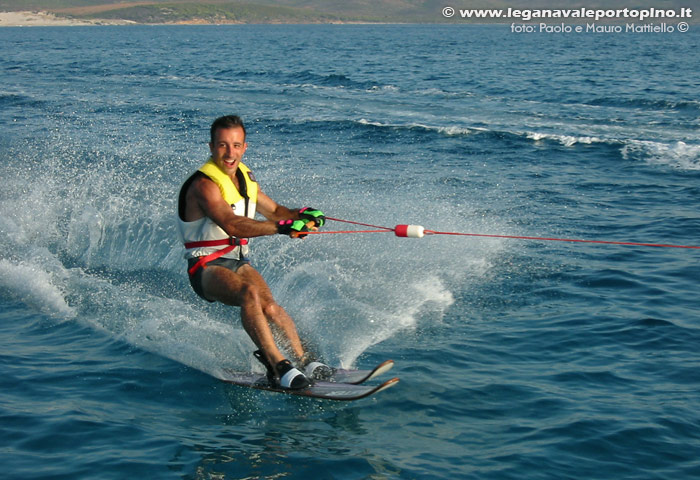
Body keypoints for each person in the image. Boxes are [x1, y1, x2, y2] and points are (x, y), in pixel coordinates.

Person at [177, 115, 329, 390]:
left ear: (244, 147)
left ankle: (305, 360)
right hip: (205, 267)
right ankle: (276, 365)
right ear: (211, 147)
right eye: (222, 145)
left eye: (236, 145)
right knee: (249, 294)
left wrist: (303, 215)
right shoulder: (204, 185)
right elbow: (233, 223)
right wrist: (283, 228)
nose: (230, 152)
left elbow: (275, 212)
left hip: (238, 260)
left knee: (270, 306)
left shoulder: (246, 178)